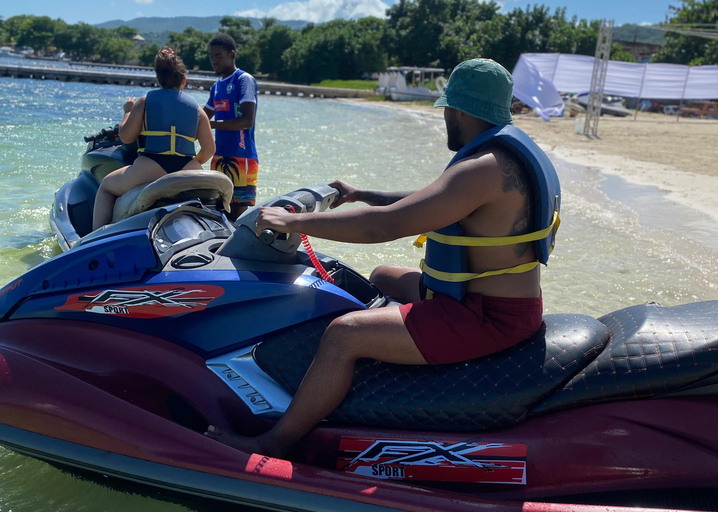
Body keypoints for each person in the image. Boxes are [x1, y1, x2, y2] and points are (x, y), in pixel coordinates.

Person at [207, 59, 561, 458]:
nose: (445, 117)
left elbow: (383, 228)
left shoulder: (482, 169)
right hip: (480, 300)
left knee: (344, 334)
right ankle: (380, 368)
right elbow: (427, 202)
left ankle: (276, 442)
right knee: (383, 275)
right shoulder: (499, 159)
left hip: (488, 317)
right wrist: (360, 194)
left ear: (459, 110)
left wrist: (294, 222)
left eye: (447, 109)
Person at [92, 47, 215, 230]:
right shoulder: (197, 109)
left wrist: (127, 112)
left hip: (151, 166)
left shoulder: (145, 101)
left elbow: (126, 137)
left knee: (106, 187)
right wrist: (192, 163)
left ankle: (94, 239)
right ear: (184, 80)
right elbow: (209, 150)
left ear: (158, 78)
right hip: (187, 169)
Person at [203, 33, 259, 221]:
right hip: (218, 158)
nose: (214, 61)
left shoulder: (244, 80)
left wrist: (209, 125)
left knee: (238, 219)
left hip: (242, 159)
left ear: (232, 55)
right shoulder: (216, 87)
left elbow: (247, 121)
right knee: (218, 216)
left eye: (218, 56)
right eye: (211, 56)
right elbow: (203, 117)